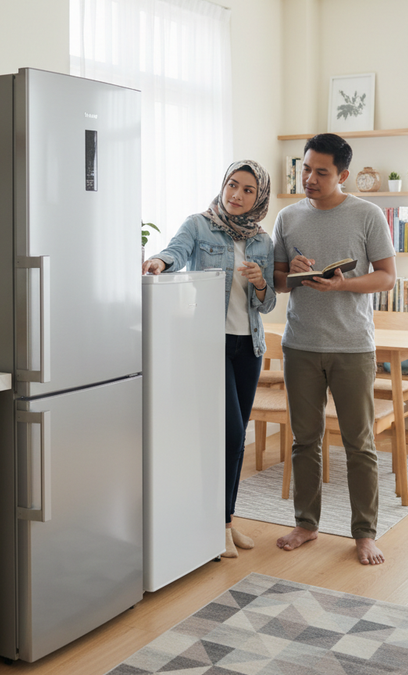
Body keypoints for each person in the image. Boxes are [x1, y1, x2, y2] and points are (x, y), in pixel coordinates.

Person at [271, 133, 396, 565]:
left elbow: (386, 277)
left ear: (342, 175)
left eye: (320, 172)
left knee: (359, 443)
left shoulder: (367, 215)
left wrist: (345, 284)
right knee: (306, 441)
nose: (309, 178)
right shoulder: (287, 218)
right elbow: (278, 282)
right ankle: (306, 524)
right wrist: (296, 274)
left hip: (352, 347)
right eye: (305, 169)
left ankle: (364, 533)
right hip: (300, 344)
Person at [143, 160, 276, 558]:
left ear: (259, 197)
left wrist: (260, 284)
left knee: (236, 439)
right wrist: (159, 263)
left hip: (248, 348)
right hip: (209, 345)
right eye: (232, 185)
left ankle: (226, 522)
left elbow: (267, 304)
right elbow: (177, 251)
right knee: (230, 434)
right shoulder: (200, 225)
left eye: (247, 190)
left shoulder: (263, 241)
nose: (236, 195)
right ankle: (213, 524)